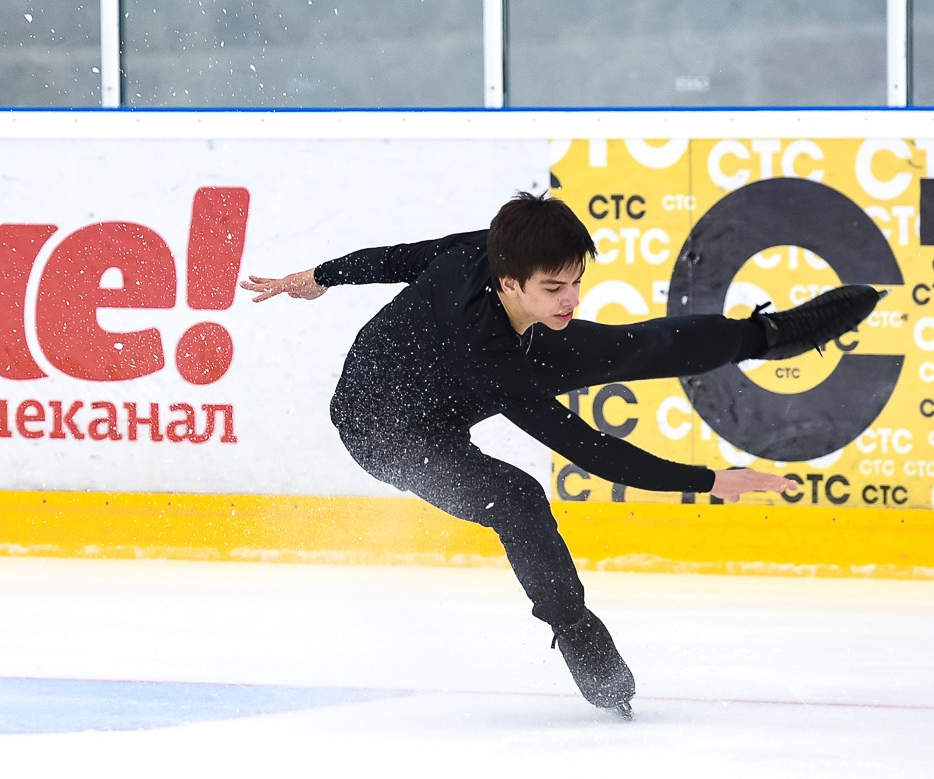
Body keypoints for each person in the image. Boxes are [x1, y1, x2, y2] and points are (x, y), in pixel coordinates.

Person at [240, 191, 883, 718]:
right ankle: (575, 629)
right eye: (554, 288)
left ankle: (768, 334)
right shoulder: (491, 356)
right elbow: (586, 447)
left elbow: (401, 257)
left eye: (576, 281)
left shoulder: (485, 252)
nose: (570, 300)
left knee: (629, 345)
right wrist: (711, 479)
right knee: (519, 498)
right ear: (510, 280)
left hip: (441, 372)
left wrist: (318, 276)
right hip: (385, 431)